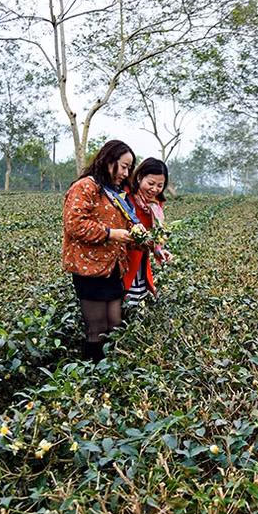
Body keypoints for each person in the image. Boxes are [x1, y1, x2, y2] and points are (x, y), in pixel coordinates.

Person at [62, 139, 144, 364]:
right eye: (125, 166)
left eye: (129, 168)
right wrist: (111, 234)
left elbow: (123, 224)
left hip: (113, 267)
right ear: (109, 161)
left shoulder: (115, 192)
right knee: (96, 328)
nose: (127, 173)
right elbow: (75, 224)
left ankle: (108, 373)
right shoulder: (86, 186)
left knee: (114, 323)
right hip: (90, 267)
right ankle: (91, 378)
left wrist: (138, 236)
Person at [123, 158, 173, 306]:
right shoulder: (125, 197)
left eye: (160, 185)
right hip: (123, 259)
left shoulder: (156, 204)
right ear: (139, 178)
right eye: (150, 183)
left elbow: (155, 232)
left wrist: (159, 250)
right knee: (122, 303)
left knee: (137, 304)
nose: (154, 189)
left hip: (141, 259)